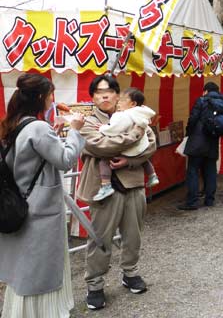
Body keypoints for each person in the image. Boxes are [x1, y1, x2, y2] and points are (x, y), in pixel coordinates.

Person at [0, 74, 85, 318]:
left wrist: (55, 133)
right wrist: (75, 132)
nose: (52, 99)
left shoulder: (13, 123)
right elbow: (65, 160)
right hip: (40, 210)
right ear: (40, 97)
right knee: (40, 271)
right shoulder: (38, 127)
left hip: (20, 203)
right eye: (50, 94)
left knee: (24, 269)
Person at [76, 74, 157, 310]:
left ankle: (130, 272)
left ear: (117, 95)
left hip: (133, 182)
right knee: (100, 238)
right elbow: (100, 146)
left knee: (133, 234)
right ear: (92, 97)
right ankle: (95, 284)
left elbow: (151, 143)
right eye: (99, 92)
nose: (104, 95)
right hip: (102, 189)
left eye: (109, 91)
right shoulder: (88, 122)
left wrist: (129, 161)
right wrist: (134, 136)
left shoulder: (133, 114)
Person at [179, 81, 223, 210]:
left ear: (205, 91)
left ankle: (192, 202)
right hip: (213, 142)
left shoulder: (201, 101)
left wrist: (187, 134)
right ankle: (209, 200)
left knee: (193, 171)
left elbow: (193, 119)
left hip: (197, 142)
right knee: (210, 171)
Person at [92, 87, 158, 201]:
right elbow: (97, 146)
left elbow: (114, 130)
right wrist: (136, 135)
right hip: (138, 148)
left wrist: (103, 128)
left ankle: (106, 185)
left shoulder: (123, 115)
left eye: (121, 99)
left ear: (132, 103)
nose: (118, 102)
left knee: (105, 160)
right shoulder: (141, 115)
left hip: (133, 184)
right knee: (144, 158)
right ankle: (152, 175)